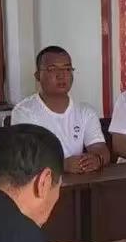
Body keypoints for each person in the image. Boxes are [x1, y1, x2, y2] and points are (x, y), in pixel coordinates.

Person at [11, 45, 111, 174]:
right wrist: (61, 165)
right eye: (52, 69)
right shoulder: (24, 112)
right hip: (40, 183)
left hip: (78, 181)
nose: (61, 75)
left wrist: (97, 159)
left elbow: (99, 147)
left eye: (67, 69)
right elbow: (25, 158)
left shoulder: (86, 111)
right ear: (37, 75)